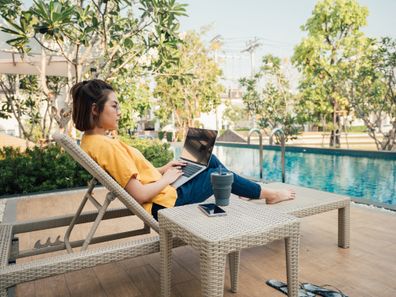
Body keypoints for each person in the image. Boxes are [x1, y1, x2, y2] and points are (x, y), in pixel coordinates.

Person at [71, 79, 295, 220]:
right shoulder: (106, 146)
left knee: (210, 160)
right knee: (219, 175)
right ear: (94, 109)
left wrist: (164, 169)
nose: (119, 111)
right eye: (114, 106)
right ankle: (267, 194)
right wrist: (168, 178)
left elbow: (134, 177)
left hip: (162, 193)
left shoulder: (91, 141)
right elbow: (138, 195)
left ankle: (244, 189)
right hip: (164, 202)